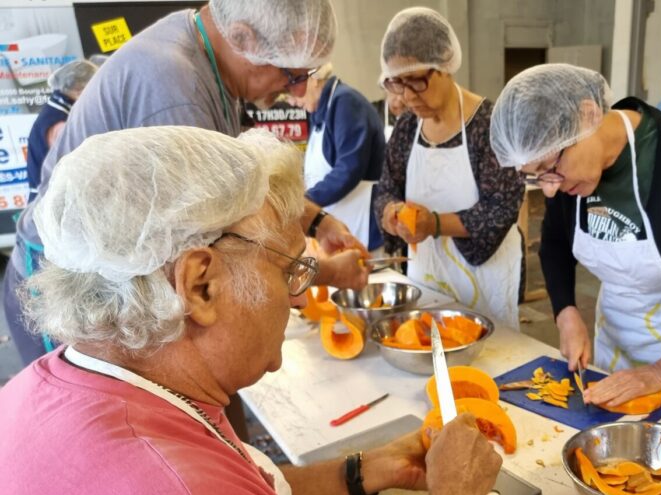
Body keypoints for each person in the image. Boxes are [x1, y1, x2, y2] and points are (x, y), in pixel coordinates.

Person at [0, 125, 503, 495]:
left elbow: (235, 490)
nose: (296, 298)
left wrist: (358, 471)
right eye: (289, 269)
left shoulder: (64, 384)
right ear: (199, 285)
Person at [3, 0, 366, 366]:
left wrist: (318, 222)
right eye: (292, 75)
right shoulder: (175, 90)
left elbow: (249, 180)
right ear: (243, 37)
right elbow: (229, 249)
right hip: (72, 295)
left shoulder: (202, 53)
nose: (298, 90)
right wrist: (325, 274)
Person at [490, 64, 661, 424]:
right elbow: (555, 244)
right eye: (536, 177)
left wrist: (660, 373)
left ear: (588, 115)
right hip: (617, 334)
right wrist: (567, 314)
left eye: (550, 168)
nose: (550, 189)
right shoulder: (564, 174)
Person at [373, 7, 524, 329]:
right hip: (428, 273)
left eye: (417, 81)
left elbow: (500, 210)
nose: (408, 97)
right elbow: (386, 187)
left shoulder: (490, 125)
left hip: (486, 278)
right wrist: (391, 213)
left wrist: (434, 224)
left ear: (445, 64)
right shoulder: (407, 128)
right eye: (398, 84)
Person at [299, 63, 386, 252]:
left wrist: (303, 202)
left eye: (293, 89)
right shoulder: (319, 111)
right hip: (338, 230)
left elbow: (348, 170)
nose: (291, 101)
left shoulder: (346, 103)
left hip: (362, 228)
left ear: (313, 79)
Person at [25, 58, 97, 201]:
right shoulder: (59, 123)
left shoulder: (54, 109)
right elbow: (75, 168)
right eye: (93, 88)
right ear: (79, 90)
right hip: (48, 201)